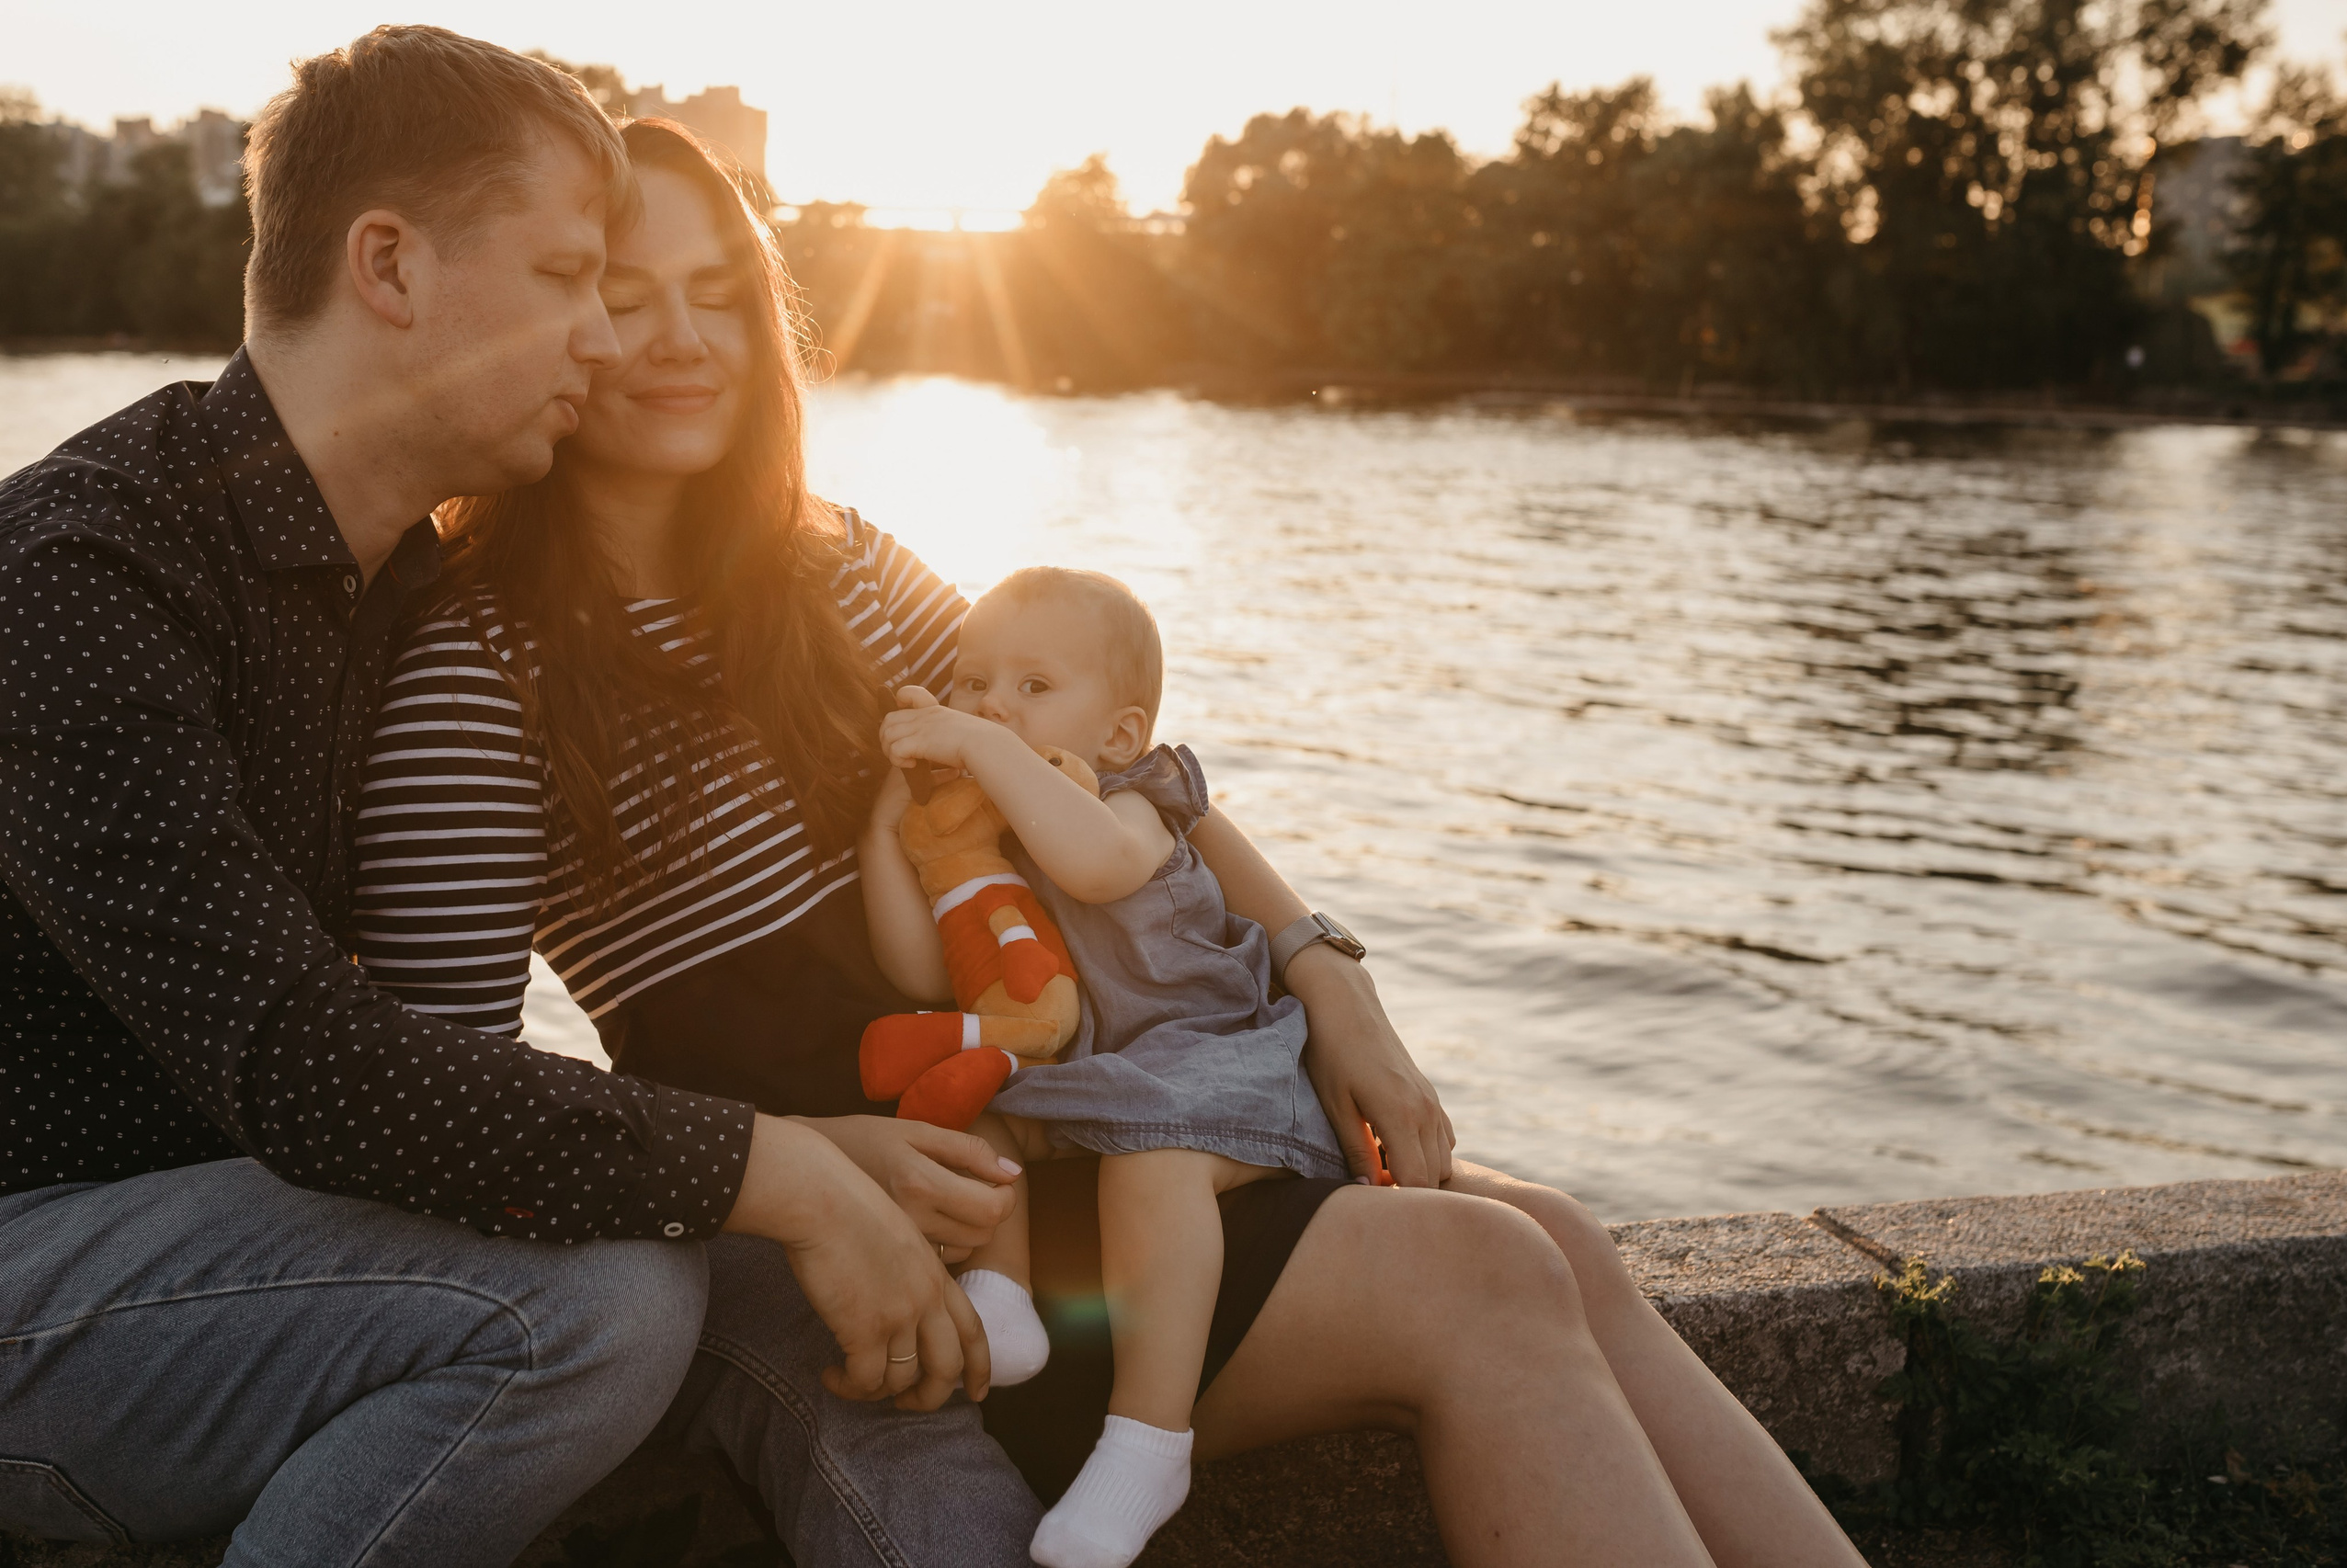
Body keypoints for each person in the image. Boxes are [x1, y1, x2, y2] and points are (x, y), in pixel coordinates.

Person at [356, 114, 1874, 1568]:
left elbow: (1129, 787)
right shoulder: (478, 673)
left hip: (1068, 1108)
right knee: (1484, 1275)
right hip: (908, 1221)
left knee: (1561, 1242)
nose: (685, 342)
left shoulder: (840, 569)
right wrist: (803, 1168)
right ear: (549, 315)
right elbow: (450, 1105)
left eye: (720, 296)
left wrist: (1321, 969)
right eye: (626, 298)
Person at [0, 29, 1039, 1567]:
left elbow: (420, 1078)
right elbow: (304, 1064)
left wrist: (795, 1177)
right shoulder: (82, 575)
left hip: (230, 1259)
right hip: (41, 1273)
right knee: (590, 1301)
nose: (611, 343)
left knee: (734, 1296)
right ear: (390, 267)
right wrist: (782, 1165)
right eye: (567, 278)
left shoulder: (401, 592)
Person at [857, 568, 1357, 1567]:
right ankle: (1006, 1302)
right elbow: (918, 964)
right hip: (1094, 1078)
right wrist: (886, 826)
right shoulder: (995, 837)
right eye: (971, 681)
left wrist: (984, 747)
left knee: (1151, 1163)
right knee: (971, 1107)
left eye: (1035, 685)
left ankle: (1147, 1440)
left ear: (1120, 734)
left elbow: (1090, 865)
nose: (992, 703)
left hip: (1213, 1065)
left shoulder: (1134, 805)